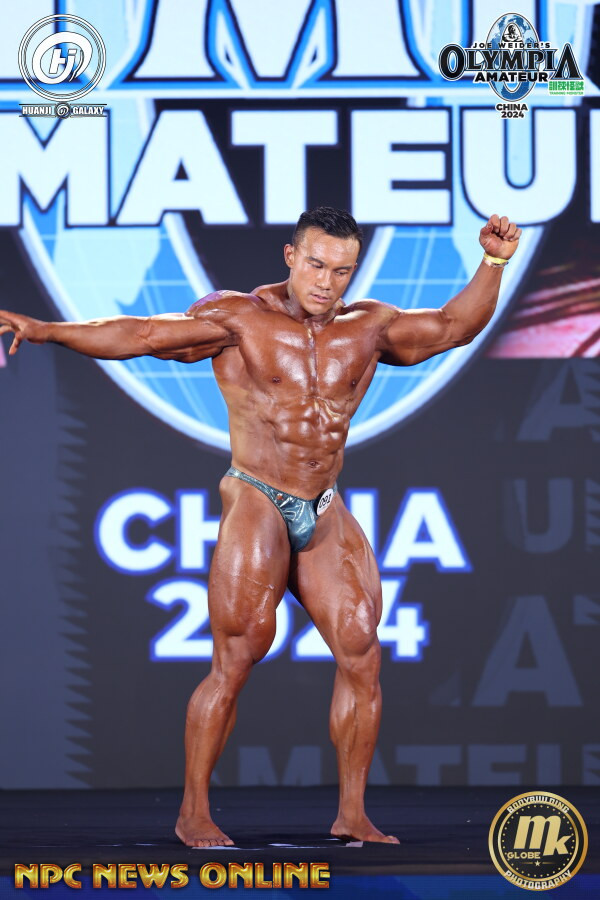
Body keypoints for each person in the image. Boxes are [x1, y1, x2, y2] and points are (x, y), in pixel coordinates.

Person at [0, 207, 521, 848]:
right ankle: (194, 812)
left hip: (322, 501)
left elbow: (453, 325)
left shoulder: (369, 326)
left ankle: (352, 814)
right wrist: (47, 330)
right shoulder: (238, 317)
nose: (327, 282)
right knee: (239, 654)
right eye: (317, 265)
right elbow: (140, 333)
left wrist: (493, 261)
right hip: (258, 494)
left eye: (342, 271)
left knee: (361, 648)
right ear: (290, 256)